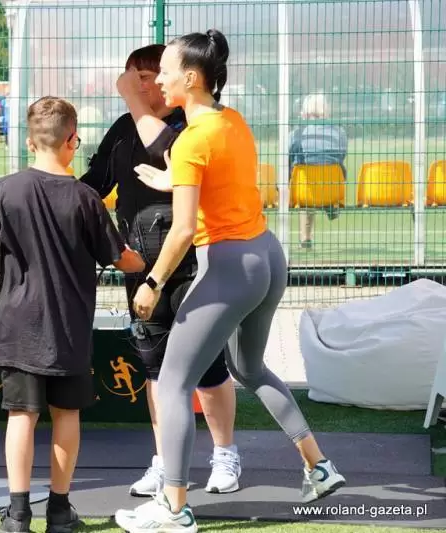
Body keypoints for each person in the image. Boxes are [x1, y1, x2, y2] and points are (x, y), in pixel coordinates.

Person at [113, 30, 346, 532]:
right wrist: (172, 179)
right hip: (267, 256)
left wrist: (152, 283)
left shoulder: (191, 138)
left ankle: (174, 508)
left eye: (166, 71)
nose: (160, 80)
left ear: (190, 78)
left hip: (230, 267)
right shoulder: (231, 120)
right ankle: (319, 466)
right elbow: (217, 179)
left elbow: (182, 231)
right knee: (249, 367)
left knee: (173, 382)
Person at [0, 96, 145, 533]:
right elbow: (121, 258)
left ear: (30, 142)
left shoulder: (3, 191)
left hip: (17, 324)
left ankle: (17, 514)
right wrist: (151, 260)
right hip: (69, 328)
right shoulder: (86, 199)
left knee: (21, 416)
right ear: (72, 140)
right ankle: (59, 510)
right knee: (67, 415)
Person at [80, 44, 241, 498]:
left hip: (194, 264)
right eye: (132, 78)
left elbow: (166, 148)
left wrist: (134, 100)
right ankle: (164, 460)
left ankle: (225, 454)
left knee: (207, 364)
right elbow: (94, 185)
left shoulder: (192, 124)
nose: (136, 86)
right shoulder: (122, 129)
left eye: (145, 77)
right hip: (140, 265)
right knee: (154, 366)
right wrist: (50, 196)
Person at [289, 93, 348, 249]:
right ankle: (331, 204)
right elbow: (341, 155)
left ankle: (305, 238)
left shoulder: (297, 133)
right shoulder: (339, 132)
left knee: (300, 175)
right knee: (338, 167)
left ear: (304, 112)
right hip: (331, 190)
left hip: (305, 191)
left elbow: (288, 157)